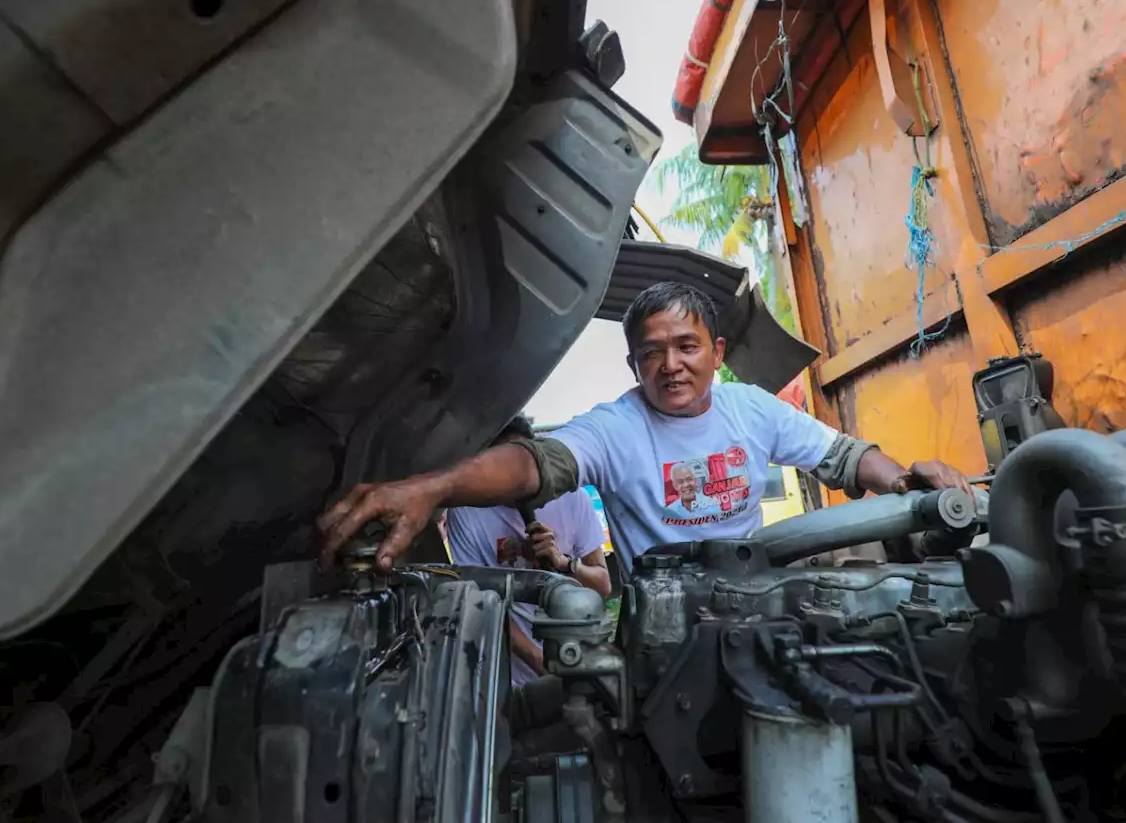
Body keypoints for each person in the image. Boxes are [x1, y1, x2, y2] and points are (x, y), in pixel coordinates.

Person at [318, 281, 971, 575]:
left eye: (686, 347)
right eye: (651, 353)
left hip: (758, 590)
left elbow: (846, 457)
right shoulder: (617, 428)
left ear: (716, 351)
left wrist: (905, 482)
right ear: (634, 365)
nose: (671, 365)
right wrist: (435, 487)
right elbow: (534, 464)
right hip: (664, 626)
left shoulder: (755, 411)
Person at [444, 416, 610, 686]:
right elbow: (476, 601)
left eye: (518, 468)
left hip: (578, 656)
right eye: (500, 469)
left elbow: (602, 586)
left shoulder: (572, 497)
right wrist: (538, 661)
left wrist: (563, 562)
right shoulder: (466, 512)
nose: (512, 480)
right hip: (510, 673)